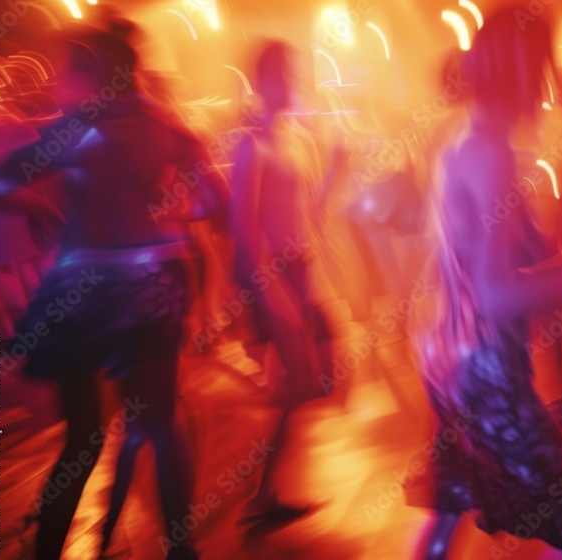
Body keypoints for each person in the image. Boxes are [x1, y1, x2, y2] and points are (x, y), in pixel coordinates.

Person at [0, 29, 226, 560]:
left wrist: (34, 206)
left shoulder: (83, 129)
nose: (58, 83)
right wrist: (165, 215)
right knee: (160, 424)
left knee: (83, 437)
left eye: (67, 70)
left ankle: (46, 550)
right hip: (155, 282)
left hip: (85, 292)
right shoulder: (168, 127)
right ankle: (182, 548)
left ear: (93, 74)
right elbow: (215, 201)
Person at [412, 9, 562, 560]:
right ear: (521, 72)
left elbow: (491, 273)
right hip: (486, 371)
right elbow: (497, 296)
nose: (544, 90)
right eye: (541, 68)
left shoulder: (463, 142)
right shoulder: (490, 154)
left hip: (446, 357)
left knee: (448, 511)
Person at [229, 40, 335, 525]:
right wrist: (273, 293)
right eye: (287, 73)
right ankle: (260, 493)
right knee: (299, 380)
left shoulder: (295, 138)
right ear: (266, 82)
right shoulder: (251, 145)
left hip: (300, 270)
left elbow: (306, 211)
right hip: (274, 275)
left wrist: (336, 172)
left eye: (296, 70)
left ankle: (263, 491)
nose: (296, 80)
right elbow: (245, 225)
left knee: (309, 380)